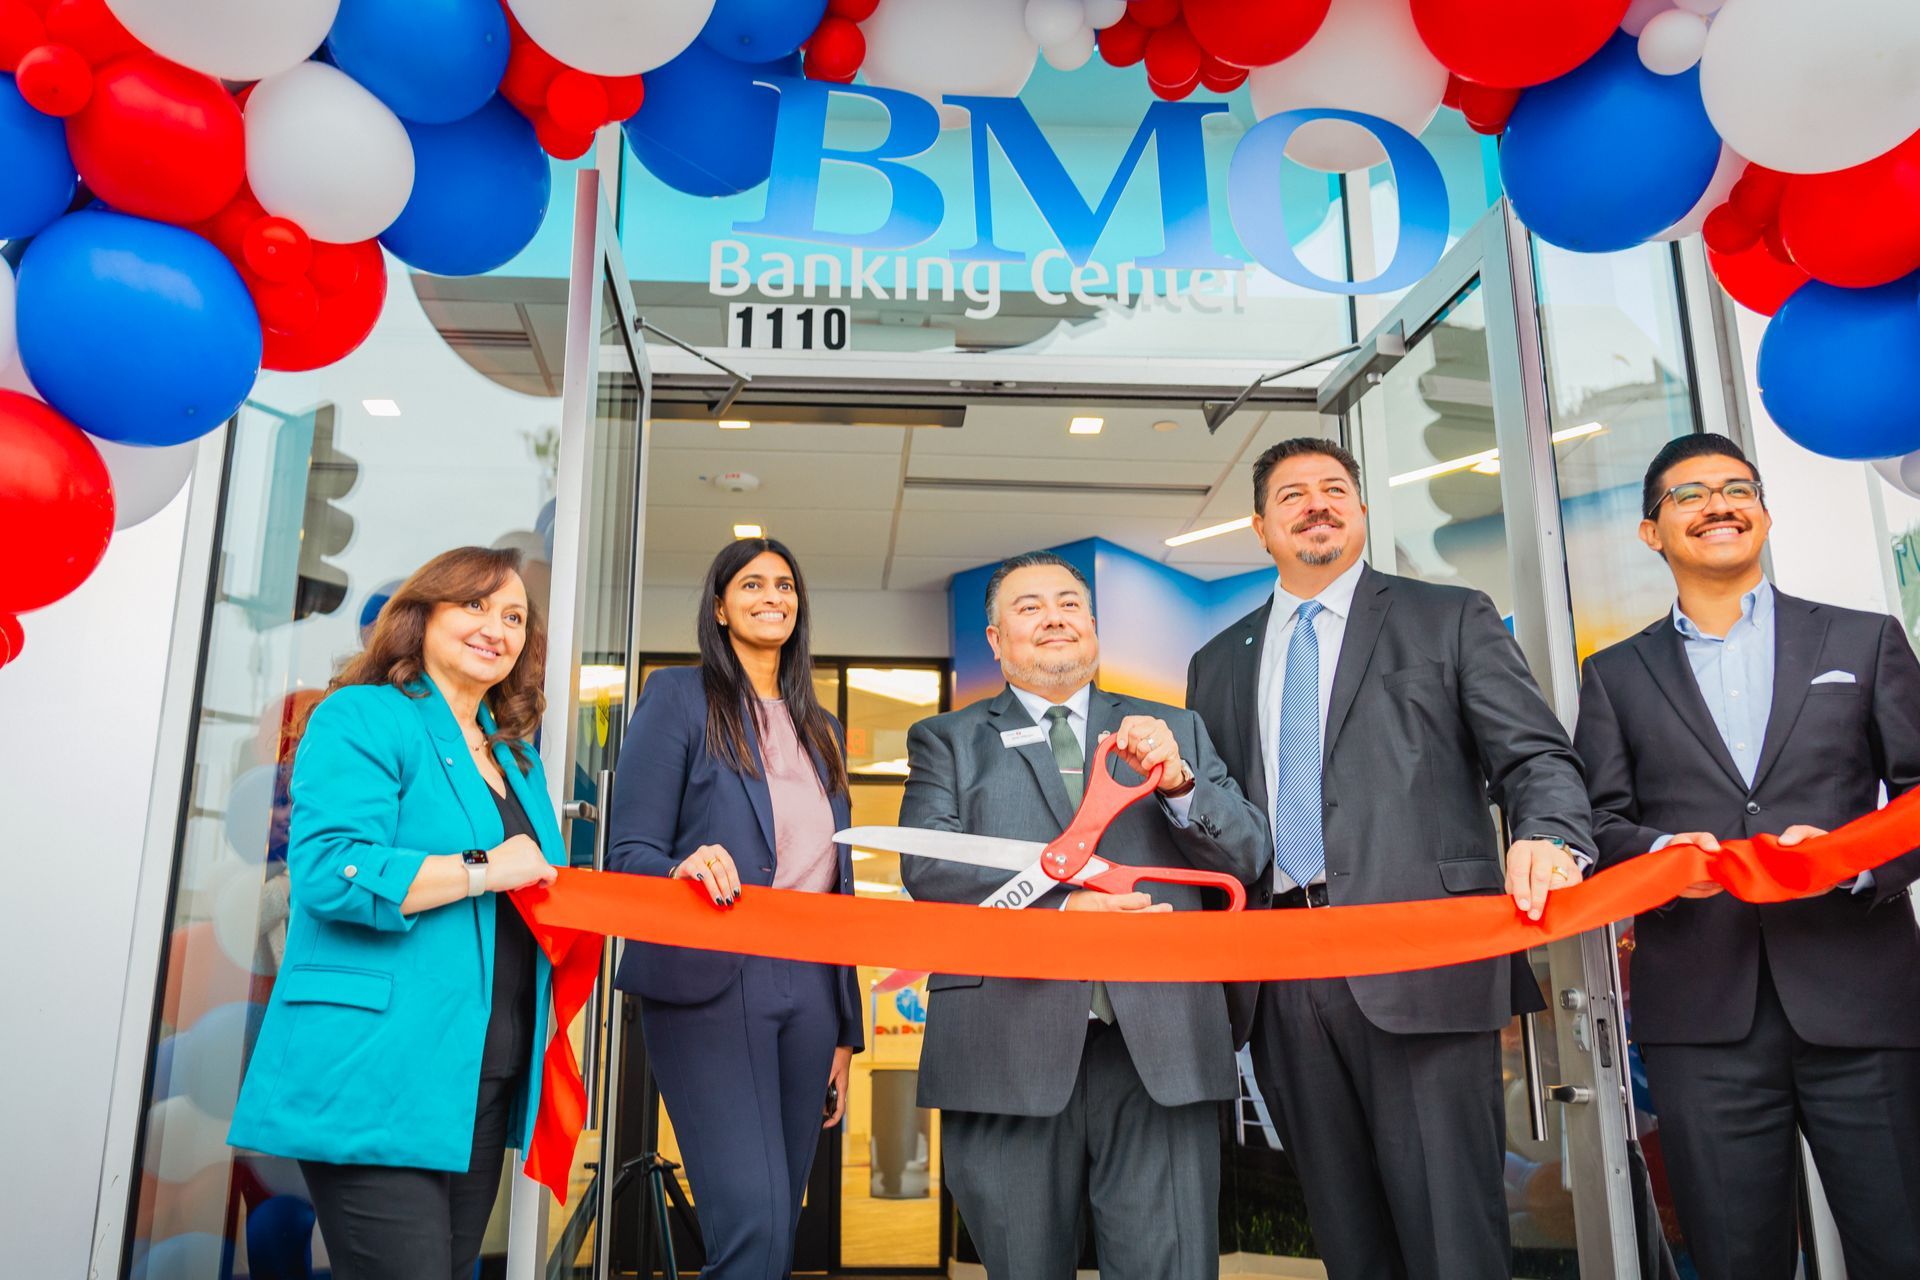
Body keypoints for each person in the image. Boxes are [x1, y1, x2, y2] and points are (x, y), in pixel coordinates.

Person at [1185, 438, 1593, 1280]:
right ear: (1261, 526)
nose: (1318, 504)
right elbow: (1219, 827)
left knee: (1451, 1231)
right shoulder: (1218, 661)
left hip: (1423, 962)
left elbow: (1534, 758)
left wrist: (1549, 834)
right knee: (1347, 1233)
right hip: (1281, 976)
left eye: (1336, 489)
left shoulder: (1447, 617)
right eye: (1293, 495)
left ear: (1363, 511)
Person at [1573, 433, 1920, 1279]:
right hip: (1702, 1016)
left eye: (1737, 488)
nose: (1717, 504)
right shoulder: (1614, 675)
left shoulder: (1864, 640)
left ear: (1762, 512)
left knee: (1903, 1246)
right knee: (1736, 1259)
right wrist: (1660, 854)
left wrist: (1853, 858)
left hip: (1861, 999)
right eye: (1689, 495)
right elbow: (1597, 822)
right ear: (1653, 533)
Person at [899, 550, 1269, 1280]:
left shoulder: (1175, 731)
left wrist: (1183, 786)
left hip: (1160, 1047)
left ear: (1094, 630)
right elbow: (929, 866)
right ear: (997, 643)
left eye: (1069, 603)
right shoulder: (946, 740)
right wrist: (1063, 908)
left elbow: (1247, 856)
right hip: (1004, 1047)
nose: (1054, 617)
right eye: (1028, 607)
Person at [228, 547, 566, 1280]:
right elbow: (329, 871)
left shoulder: (517, 761)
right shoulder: (364, 715)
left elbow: (544, 889)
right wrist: (482, 869)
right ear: (422, 614)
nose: (496, 628)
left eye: (513, 616)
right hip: (376, 1069)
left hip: (481, 1078)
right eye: (473, 605)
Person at [608, 537, 862, 1280]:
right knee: (750, 1221)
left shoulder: (824, 731)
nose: (772, 596)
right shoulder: (679, 698)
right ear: (719, 607)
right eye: (751, 585)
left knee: (783, 1225)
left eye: (785, 584)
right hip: (712, 978)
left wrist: (845, 1032)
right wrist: (685, 864)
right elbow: (630, 852)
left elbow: (838, 887)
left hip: (810, 990)